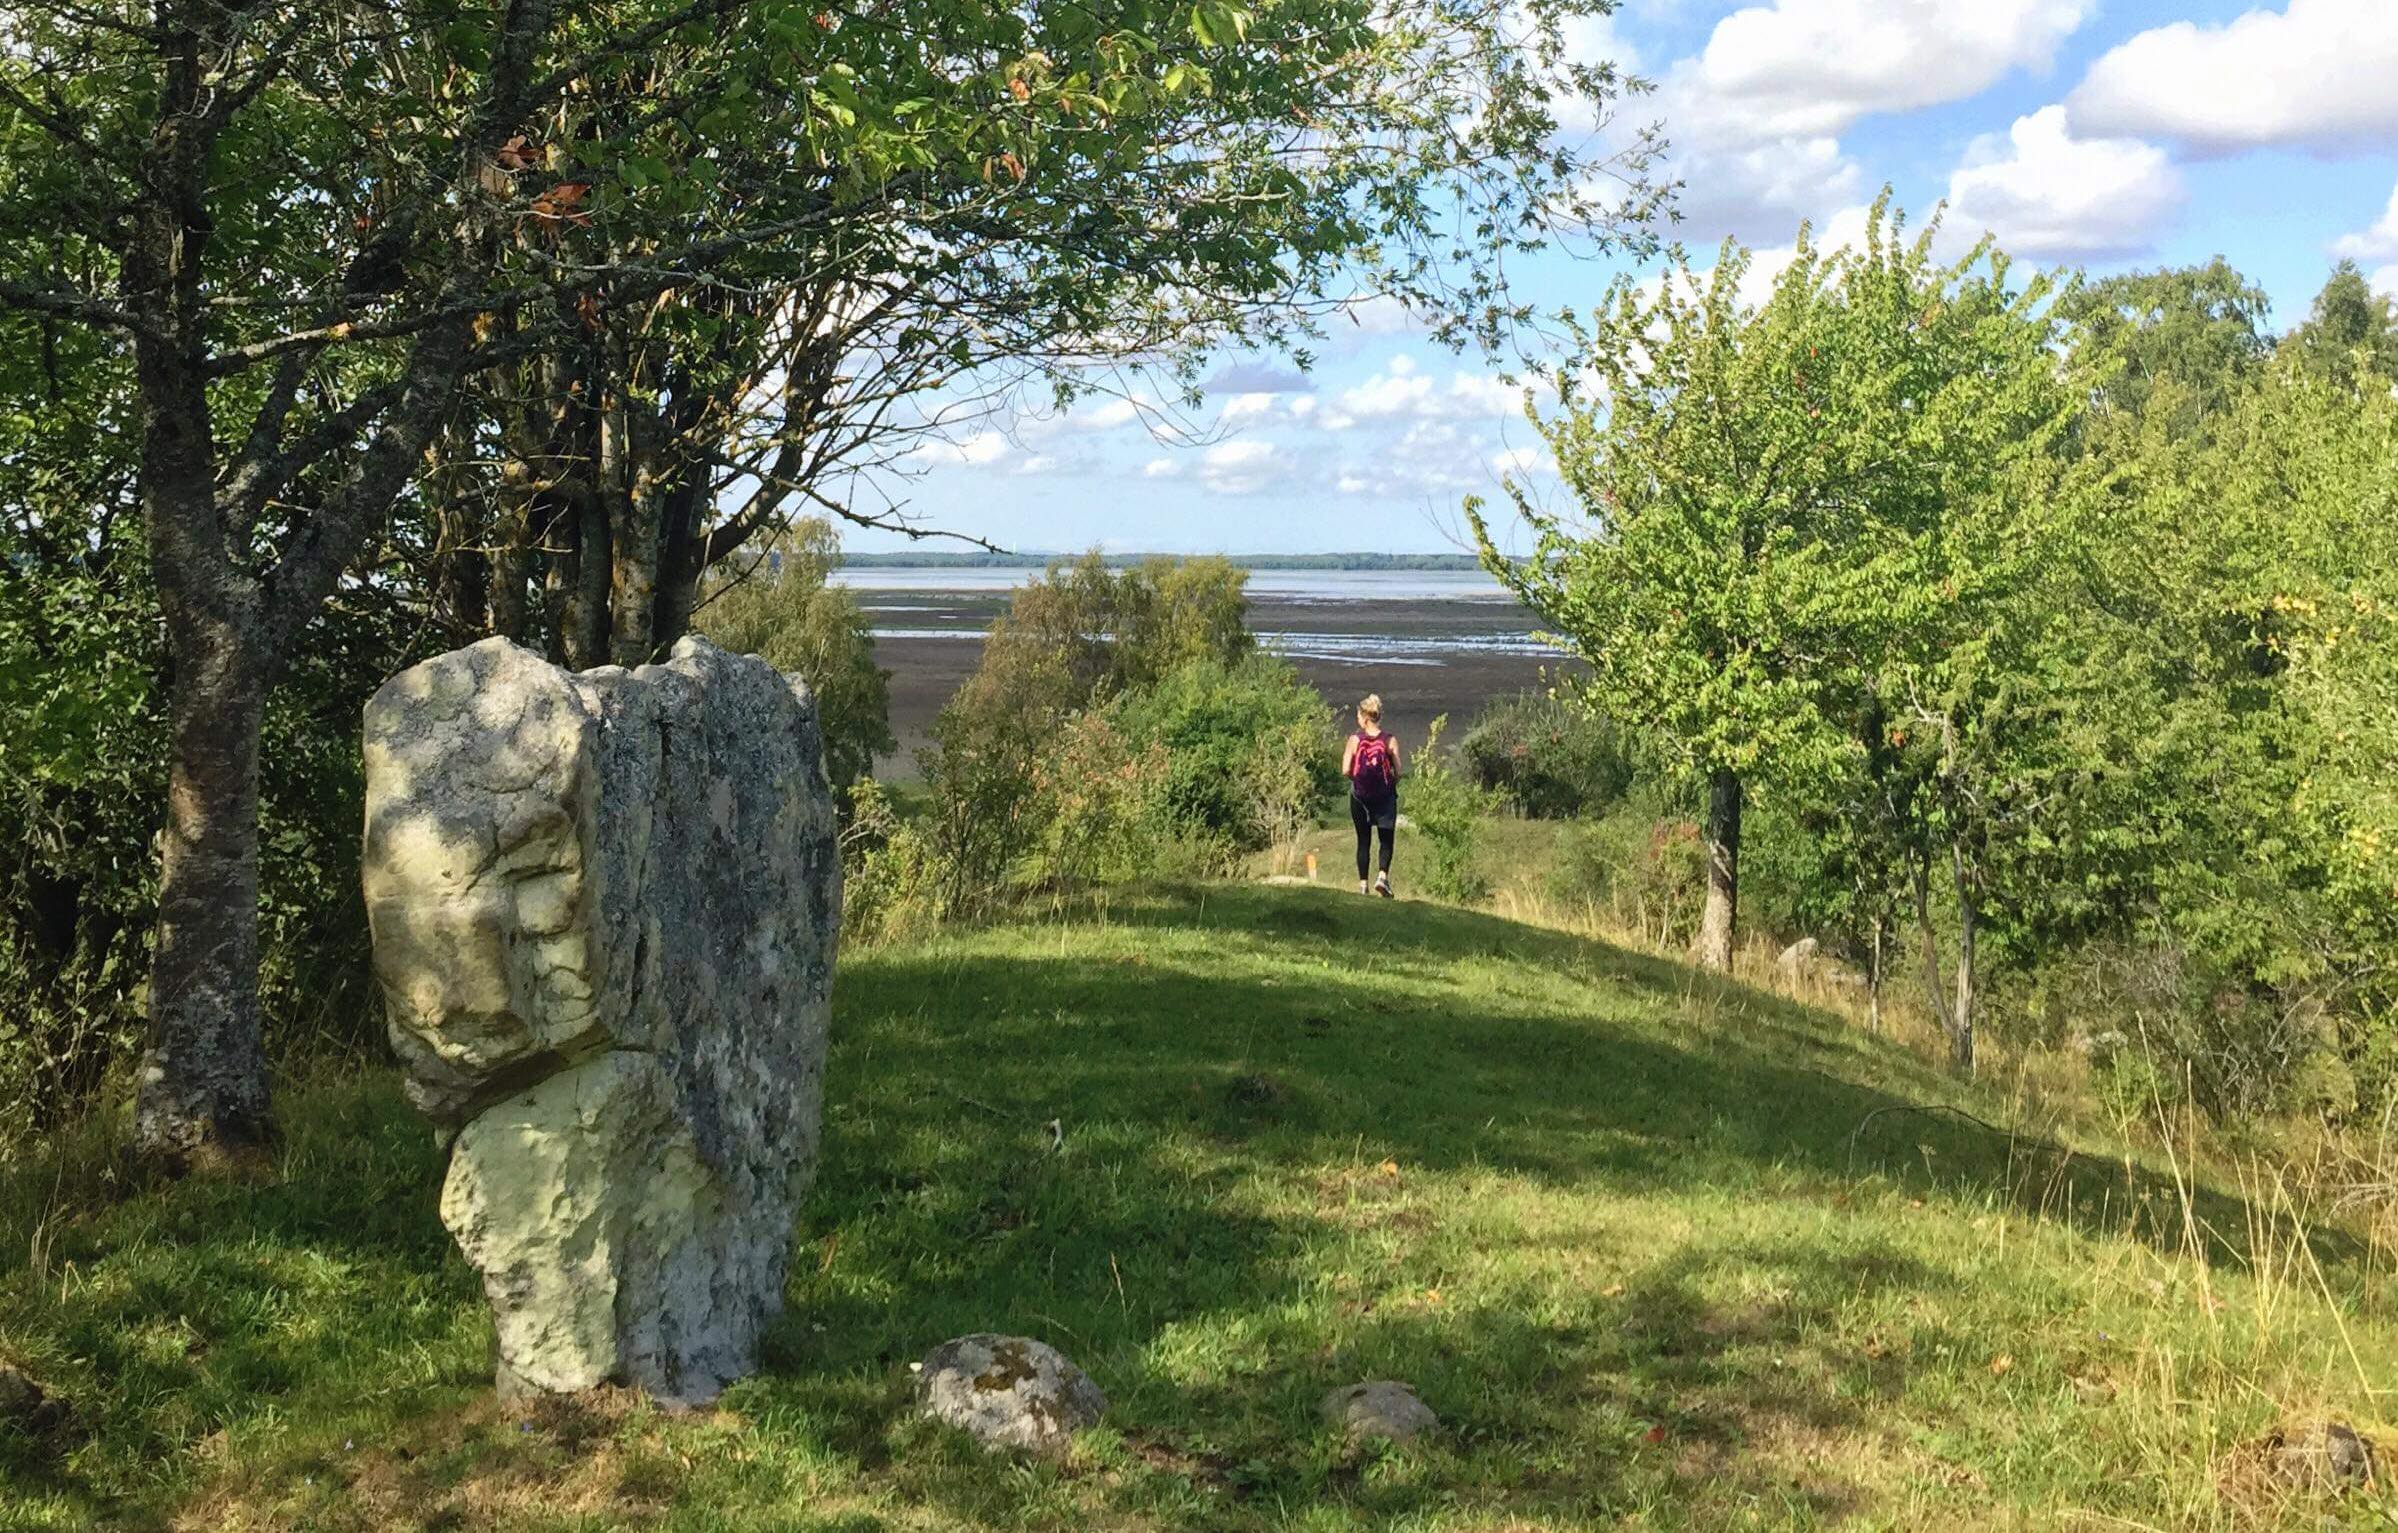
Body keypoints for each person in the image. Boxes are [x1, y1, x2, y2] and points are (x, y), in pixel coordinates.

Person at [1342, 694, 1402, 897]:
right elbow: (1399, 771)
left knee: (1363, 840)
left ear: (1364, 717)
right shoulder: (1390, 740)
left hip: (1360, 797)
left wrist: (1356, 780)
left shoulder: (1354, 740)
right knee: (1386, 839)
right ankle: (1382, 877)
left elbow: (1345, 770)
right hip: (1384, 797)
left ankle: (1362, 886)